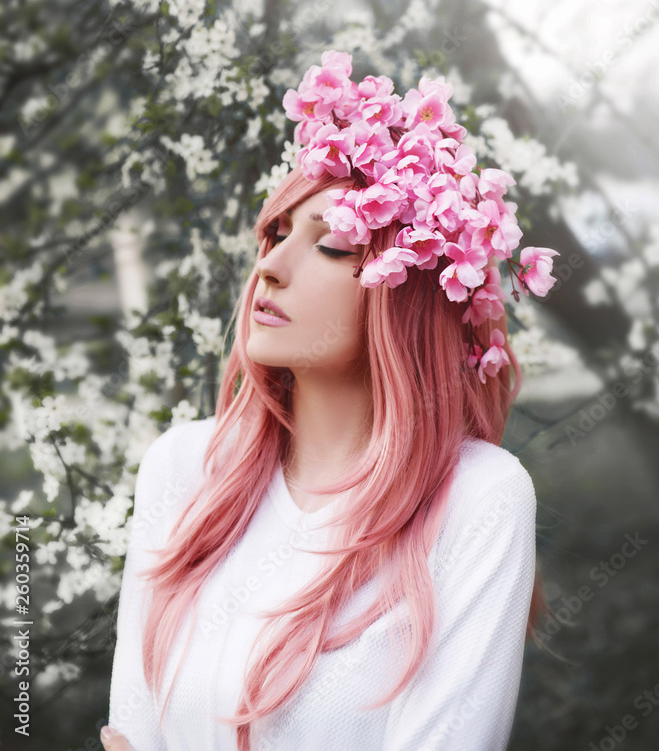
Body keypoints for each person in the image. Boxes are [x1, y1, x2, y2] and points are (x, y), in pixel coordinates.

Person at [102, 51, 558, 751]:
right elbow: (131, 732)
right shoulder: (185, 469)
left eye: (333, 247)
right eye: (278, 234)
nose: (271, 268)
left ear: (404, 293)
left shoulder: (478, 498)